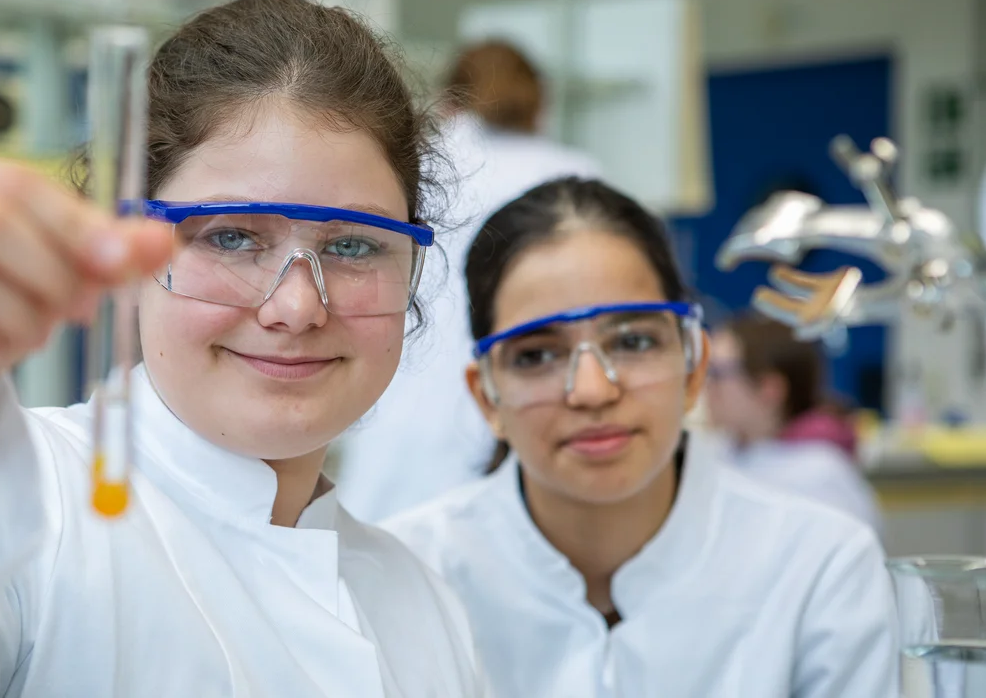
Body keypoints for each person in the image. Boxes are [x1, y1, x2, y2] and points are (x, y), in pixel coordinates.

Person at [0, 0, 489, 695]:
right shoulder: (21, 508)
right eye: (230, 236)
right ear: (128, 251)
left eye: (355, 246)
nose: (296, 306)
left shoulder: (421, 601)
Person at [384, 177, 899, 697]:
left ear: (694, 367)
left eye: (633, 341)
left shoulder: (818, 570)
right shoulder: (407, 579)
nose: (592, 391)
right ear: (488, 396)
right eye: (537, 355)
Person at [335, 39, 602, 522]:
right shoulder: (575, 173)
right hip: (520, 406)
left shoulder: (422, 164)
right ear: (540, 104)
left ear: (449, 100)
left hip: (401, 402)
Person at [704, 314, 883, 535]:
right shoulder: (725, 451)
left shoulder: (817, 474)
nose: (706, 386)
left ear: (769, 389)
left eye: (717, 373)